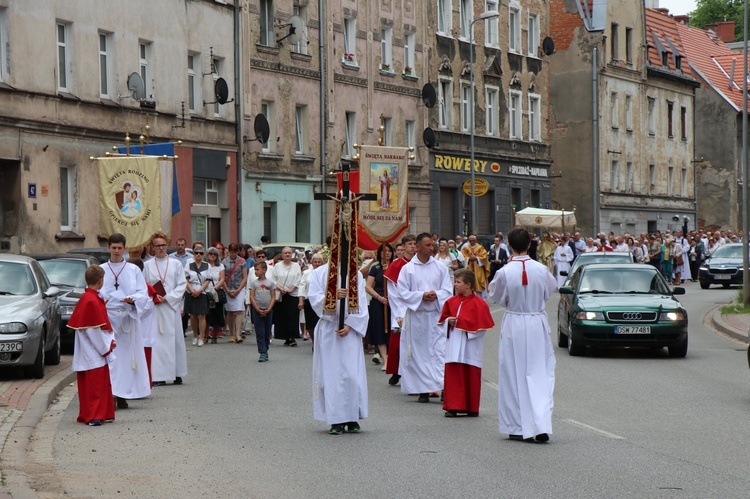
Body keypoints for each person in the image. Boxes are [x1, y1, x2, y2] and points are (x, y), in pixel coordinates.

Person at [488, 228, 557, 443]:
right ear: (529, 245)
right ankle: (540, 423)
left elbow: (496, 297)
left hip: (515, 323)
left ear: (510, 245)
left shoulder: (505, 271)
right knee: (539, 374)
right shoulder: (541, 269)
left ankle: (517, 426)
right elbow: (549, 292)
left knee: (513, 374)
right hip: (536, 321)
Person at [308, 256, 369, 435]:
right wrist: (333, 297)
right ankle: (335, 419)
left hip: (350, 330)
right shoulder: (319, 273)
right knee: (331, 374)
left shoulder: (355, 275)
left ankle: (352, 417)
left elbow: (362, 303)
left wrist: (351, 324)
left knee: (351, 374)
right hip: (329, 328)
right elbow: (315, 298)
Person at [396, 233, 453, 403]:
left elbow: (448, 291)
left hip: (436, 315)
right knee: (418, 353)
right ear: (418, 247)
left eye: (432, 245)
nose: (431, 247)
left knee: (439, 351)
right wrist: (421, 296)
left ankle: (443, 386)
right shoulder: (408, 269)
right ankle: (422, 389)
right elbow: (402, 292)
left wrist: (435, 295)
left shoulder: (441, 267)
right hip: (417, 315)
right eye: (427, 245)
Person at [100, 233, 151, 408]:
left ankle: (123, 394)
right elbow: (94, 291)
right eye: (113, 248)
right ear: (108, 248)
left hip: (128, 319)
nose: (116, 251)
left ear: (124, 248)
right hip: (108, 319)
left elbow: (142, 292)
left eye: (119, 248)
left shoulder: (133, 270)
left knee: (127, 358)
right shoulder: (101, 269)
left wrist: (132, 299)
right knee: (112, 358)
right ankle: (111, 393)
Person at [438, 269, 495, 418]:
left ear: (468, 285)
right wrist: (448, 322)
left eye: (458, 282)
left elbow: (483, 327)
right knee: (453, 374)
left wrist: (465, 325)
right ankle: (452, 406)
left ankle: (471, 407)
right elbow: (441, 321)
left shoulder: (480, 304)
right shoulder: (451, 302)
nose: (455, 285)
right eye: (455, 282)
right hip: (454, 342)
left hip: (471, 345)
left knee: (471, 374)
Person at [69, 264, 117, 426]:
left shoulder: (89, 297)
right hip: (93, 351)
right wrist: (106, 347)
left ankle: (104, 413)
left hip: (90, 349)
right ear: (101, 281)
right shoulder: (91, 301)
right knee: (94, 386)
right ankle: (94, 416)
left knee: (99, 384)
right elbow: (93, 332)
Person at [144, 232, 188, 386]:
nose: (161, 248)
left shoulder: (176, 264)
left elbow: (182, 285)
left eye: (163, 245)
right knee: (159, 343)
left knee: (175, 341)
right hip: (156, 309)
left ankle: (177, 373)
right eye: (158, 245)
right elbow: (144, 286)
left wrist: (168, 297)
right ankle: (159, 375)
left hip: (171, 308)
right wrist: (154, 298)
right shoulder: (147, 265)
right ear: (153, 248)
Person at [384, 234, 417, 386]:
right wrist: (400, 313)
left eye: (414, 244)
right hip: (402, 310)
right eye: (409, 244)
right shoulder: (396, 265)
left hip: (418, 308)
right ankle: (397, 372)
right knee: (399, 344)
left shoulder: (420, 264)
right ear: (403, 247)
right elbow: (393, 294)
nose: (412, 246)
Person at [365, 243, 395, 370]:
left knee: (392, 329)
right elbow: (368, 286)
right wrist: (379, 297)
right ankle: (385, 359)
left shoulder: (395, 266)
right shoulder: (375, 267)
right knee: (380, 329)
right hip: (378, 301)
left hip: (393, 301)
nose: (387, 253)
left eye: (389, 251)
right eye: (384, 251)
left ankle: (393, 357)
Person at [128, 258, 156, 386]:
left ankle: (143, 386)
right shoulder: (128, 285)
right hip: (129, 331)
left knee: (143, 361)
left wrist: (130, 308)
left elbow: (147, 308)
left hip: (143, 331)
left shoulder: (146, 287)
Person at [270, 247, 302, 346]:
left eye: (289, 253)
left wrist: (291, 289)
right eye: (285, 253)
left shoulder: (296, 265)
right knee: (282, 316)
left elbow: (299, 278)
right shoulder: (277, 266)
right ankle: (285, 337)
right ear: (282, 255)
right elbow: (273, 279)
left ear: (291, 254)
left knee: (293, 316)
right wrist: (280, 288)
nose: (287, 255)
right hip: (281, 294)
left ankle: (292, 337)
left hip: (293, 294)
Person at [249, 261, 276, 362]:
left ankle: (266, 348)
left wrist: (269, 308)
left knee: (266, 331)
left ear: (264, 270)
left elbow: (273, 297)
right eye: (255, 270)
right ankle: (262, 352)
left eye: (257, 269)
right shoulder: (254, 283)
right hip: (257, 310)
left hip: (268, 310)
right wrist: (257, 308)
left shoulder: (270, 283)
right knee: (260, 332)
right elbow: (252, 297)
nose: (256, 271)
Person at [222, 244, 248, 344]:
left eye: (235, 252)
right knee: (229, 311)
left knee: (239, 310)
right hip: (228, 288)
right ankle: (231, 334)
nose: (233, 254)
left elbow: (245, 277)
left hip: (239, 288)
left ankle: (238, 334)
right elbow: (222, 277)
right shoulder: (224, 261)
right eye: (231, 251)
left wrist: (238, 290)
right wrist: (228, 290)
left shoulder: (242, 261)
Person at [185, 242, 210, 347]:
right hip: (191, 290)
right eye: (196, 253)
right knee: (193, 315)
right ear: (194, 254)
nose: (198, 255)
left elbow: (208, 279)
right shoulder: (189, 265)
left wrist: (200, 290)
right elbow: (186, 279)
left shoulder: (206, 265)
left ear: (203, 254)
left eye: (200, 253)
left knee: (201, 315)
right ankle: (195, 335)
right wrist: (192, 291)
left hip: (202, 291)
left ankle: (201, 337)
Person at [299, 253, 324, 345]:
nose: (317, 264)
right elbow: (302, 286)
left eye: (319, 262)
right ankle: (314, 341)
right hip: (309, 300)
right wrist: (301, 300)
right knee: (310, 324)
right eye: (315, 262)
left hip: (321, 301)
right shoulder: (306, 273)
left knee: (320, 322)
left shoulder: (325, 273)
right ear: (311, 262)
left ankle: (321, 342)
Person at [205, 246, 226, 344]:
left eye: (214, 254)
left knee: (217, 315)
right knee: (206, 315)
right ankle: (205, 335)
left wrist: (215, 288)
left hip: (216, 292)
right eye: (210, 254)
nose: (212, 256)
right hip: (205, 291)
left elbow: (222, 279)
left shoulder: (220, 266)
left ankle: (214, 336)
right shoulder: (204, 265)